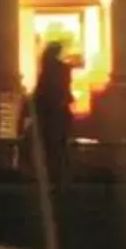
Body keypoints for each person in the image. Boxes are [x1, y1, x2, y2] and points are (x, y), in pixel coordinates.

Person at [32, 42, 77, 182]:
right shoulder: (62, 69)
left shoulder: (47, 70)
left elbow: (40, 91)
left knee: (50, 144)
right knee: (59, 144)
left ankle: (53, 173)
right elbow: (64, 88)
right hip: (57, 109)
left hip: (48, 110)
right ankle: (61, 173)